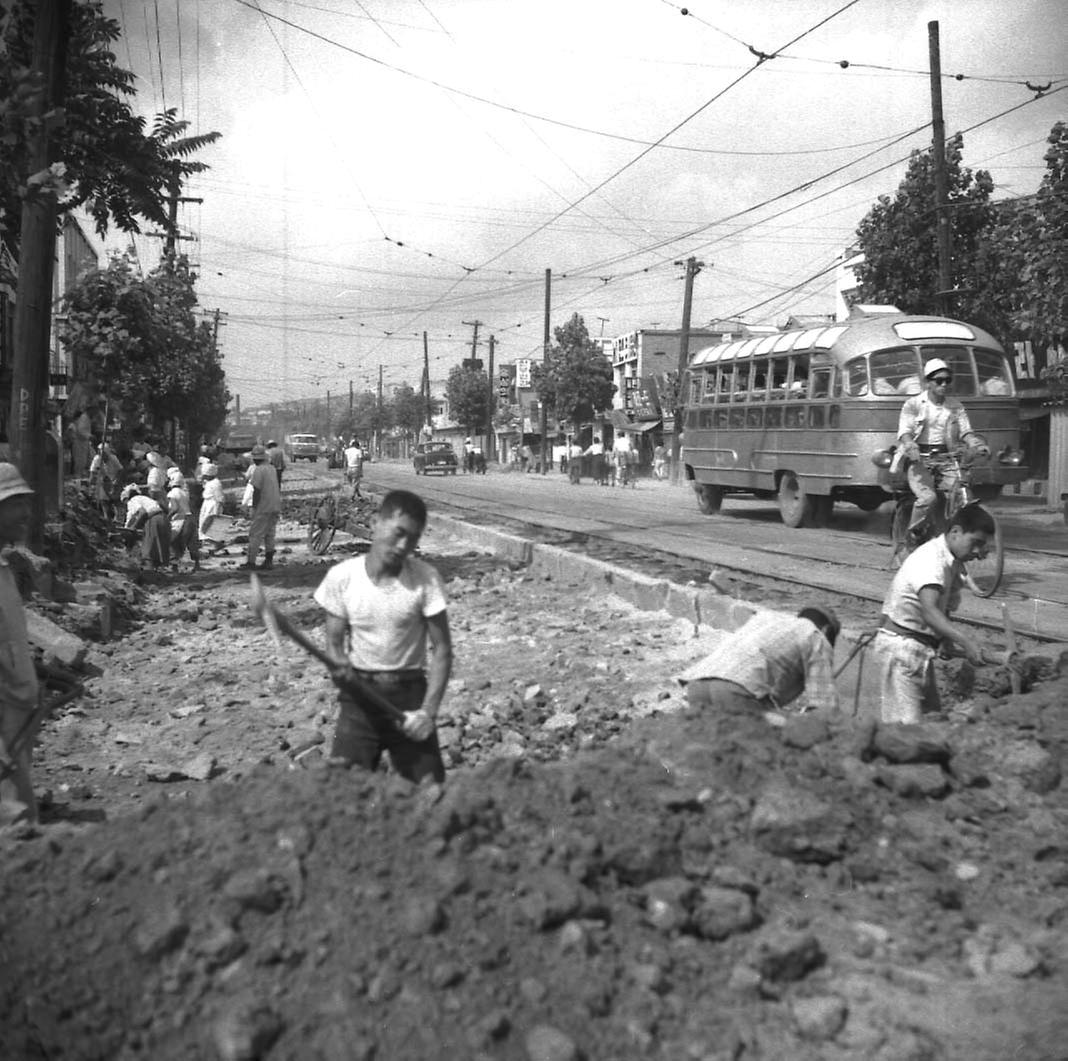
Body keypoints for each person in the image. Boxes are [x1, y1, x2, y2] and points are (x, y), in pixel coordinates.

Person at [313, 489, 452, 783]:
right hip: (359, 699)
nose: (403, 546)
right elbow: (334, 644)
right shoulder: (343, 577)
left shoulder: (425, 579)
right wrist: (340, 670)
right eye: (398, 533)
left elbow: (442, 650)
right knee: (344, 790)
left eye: (412, 539)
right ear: (376, 523)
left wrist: (427, 712)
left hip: (409, 694)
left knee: (430, 792)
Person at [872, 504, 992, 724]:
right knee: (907, 732)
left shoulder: (953, 562)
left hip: (919, 650)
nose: (978, 552)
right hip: (902, 650)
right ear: (955, 531)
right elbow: (930, 611)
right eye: (975, 543)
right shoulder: (932, 560)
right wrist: (966, 642)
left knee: (932, 722)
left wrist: (945, 640)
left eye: (982, 546)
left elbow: (943, 607)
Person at [895, 358, 990, 543]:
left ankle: (950, 534)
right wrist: (910, 445)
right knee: (928, 498)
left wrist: (975, 443)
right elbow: (905, 432)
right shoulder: (913, 404)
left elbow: (966, 431)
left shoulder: (955, 406)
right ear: (927, 382)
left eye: (947, 380)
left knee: (960, 494)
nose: (944, 384)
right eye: (938, 380)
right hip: (920, 459)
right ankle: (912, 535)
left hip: (947, 458)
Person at [678, 605, 840, 714]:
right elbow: (824, 706)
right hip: (736, 692)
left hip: (697, 685)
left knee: (715, 753)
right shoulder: (816, 636)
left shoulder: (767, 619)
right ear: (826, 630)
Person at [0, 464, 41, 822]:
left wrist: (34, 668)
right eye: (15, 503)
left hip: (18, 713)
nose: (26, 512)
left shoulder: (4, 568)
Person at [244, 444, 281, 570]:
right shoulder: (271, 468)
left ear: (255, 458)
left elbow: (257, 491)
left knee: (255, 534)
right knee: (270, 534)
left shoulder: (258, 470)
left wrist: (254, 508)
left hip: (263, 507)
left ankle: (251, 562)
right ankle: (269, 561)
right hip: (275, 505)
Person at [121, 483, 171, 573]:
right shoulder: (146, 499)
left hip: (153, 520)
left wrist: (133, 527)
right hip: (163, 518)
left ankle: (150, 571)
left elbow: (142, 512)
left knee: (150, 545)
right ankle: (158, 568)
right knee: (160, 544)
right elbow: (163, 507)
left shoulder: (133, 501)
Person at [165, 467, 199, 571]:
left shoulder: (172, 493)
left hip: (180, 520)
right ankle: (197, 564)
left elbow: (175, 508)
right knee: (191, 543)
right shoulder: (184, 492)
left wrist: (167, 517)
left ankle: (174, 565)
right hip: (190, 518)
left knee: (174, 542)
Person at [88, 441, 123, 518]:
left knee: (116, 501)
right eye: (100, 453)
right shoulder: (97, 459)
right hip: (103, 482)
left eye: (104, 453)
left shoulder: (113, 458)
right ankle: (106, 518)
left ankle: (118, 518)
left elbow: (120, 470)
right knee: (104, 502)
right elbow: (93, 472)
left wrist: (116, 480)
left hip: (113, 480)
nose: (102, 455)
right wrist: (91, 486)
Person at [198, 462, 225, 540]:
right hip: (207, 504)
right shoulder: (208, 482)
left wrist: (216, 512)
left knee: (210, 525)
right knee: (203, 523)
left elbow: (219, 498)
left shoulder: (216, 483)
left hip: (213, 506)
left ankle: (210, 544)